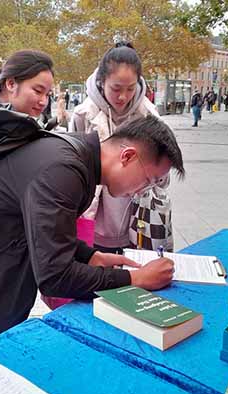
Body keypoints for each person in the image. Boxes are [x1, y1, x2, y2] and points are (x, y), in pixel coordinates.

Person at [0, 49, 184, 354]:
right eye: (147, 179)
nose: (142, 191)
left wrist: (89, 255)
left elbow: (41, 229)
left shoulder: (75, 158)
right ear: (128, 156)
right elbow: (55, 277)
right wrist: (135, 278)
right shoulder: (64, 169)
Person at [69, 42, 174, 253]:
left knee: (137, 279)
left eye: (130, 88)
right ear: (101, 81)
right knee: (97, 277)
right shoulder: (84, 115)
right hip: (94, 219)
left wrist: (151, 176)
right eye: (116, 88)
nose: (123, 97)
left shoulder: (149, 115)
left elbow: (163, 177)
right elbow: (72, 167)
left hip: (138, 220)